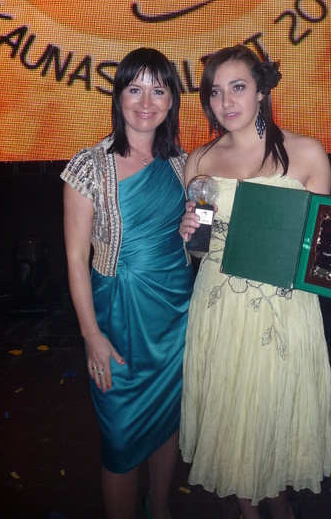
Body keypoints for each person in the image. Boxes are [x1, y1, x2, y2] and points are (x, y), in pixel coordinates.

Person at [178, 45, 331, 519]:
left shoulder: (306, 153)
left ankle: (279, 508)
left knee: (272, 418)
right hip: (219, 309)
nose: (226, 102)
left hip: (283, 313)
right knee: (233, 418)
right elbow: (199, 249)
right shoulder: (198, 161)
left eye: (238, 87)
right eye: (215, 92)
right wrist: (188, 234)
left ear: (262, 91)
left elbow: (326, 246)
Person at [61, 48, 194, 519]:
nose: (146, 102)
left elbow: (193, 239)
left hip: (175, 315)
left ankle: (159, 506)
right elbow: (75, 259)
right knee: (119, 437)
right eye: (135, 89)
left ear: (172, 100)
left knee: (166, 419)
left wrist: (191, 232)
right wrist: (91, 335)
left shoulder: (183, 163)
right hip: (116, 316)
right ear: (118, 97)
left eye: (158, 90)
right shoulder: (88, 165)